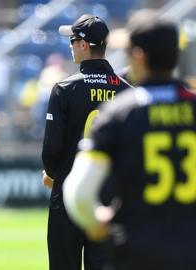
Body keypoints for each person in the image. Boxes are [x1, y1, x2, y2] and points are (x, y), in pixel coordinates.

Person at [63, 10, 196, 270]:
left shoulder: (118, 113)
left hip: (137, 249)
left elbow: (79, 193)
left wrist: (96, 223)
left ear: (138, 55)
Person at [41, 15, 131, 270]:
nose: (70, 46)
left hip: (69, 193)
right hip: (110, 200)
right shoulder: (127, 91)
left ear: (83, 44)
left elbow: (51, 150)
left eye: (72, 40)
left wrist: (51, 174)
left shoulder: (64, 88)